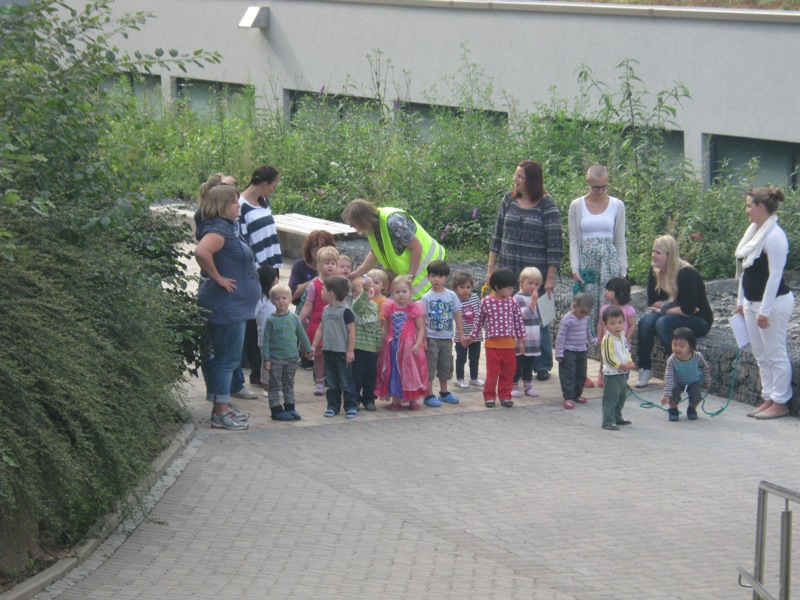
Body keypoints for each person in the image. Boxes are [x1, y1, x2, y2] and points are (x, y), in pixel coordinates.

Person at [487, 160, 561, 382]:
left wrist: (550, 276)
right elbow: (497, 235)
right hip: (509, 269)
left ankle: (542, 364)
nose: (515, 179)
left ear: (532, 180)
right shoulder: (509, 200)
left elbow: (555, 244)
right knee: (510, 314)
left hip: (535, 275)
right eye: (515, 175)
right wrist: (491, 267)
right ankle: (514, 362)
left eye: (520, 176)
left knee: (538, 317)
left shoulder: (547, 206)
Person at [195, 185, 261, 430]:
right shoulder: (218, 230)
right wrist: (218, 278)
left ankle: (221, 405)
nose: (238, 206)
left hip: (234, 307)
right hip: (226, 307)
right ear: (222, 205)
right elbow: (201, 252)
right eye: (234, 202)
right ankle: (220, 412)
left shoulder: (226, 228)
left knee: (225, 359)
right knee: (226, 360)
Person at [735, 187, 794, 420]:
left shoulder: (775, 236)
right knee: (760, 353)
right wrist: (741, 301)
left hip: (774, 303)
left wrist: (765, 310)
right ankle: (768, 396)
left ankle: (780, 401)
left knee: (775, 353)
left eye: (749, 205)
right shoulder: (753, 233)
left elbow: (775, 276)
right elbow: (746, 269)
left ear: (761, 207)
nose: (746, 210)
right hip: (751, 302)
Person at [568, 164, 627, 389]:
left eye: (603, 187)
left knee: (608, 316)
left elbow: (619, 239)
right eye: (595, 187)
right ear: (588, 183)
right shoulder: (577, 205)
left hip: (609, 265)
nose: (600, 191)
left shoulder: (617, 205)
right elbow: (574, 239)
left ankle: (605, 368)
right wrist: (575, 268)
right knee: (584, 314)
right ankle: (581, 371)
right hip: (587, 267)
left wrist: (623, 271)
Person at [635, 235, 713, 388]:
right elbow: (652, 302)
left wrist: (664, 309)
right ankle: (645, 368)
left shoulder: (686, 273)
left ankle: (680, 369)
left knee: (663, 323)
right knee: (645, 322)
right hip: (677, 314)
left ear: (669, 255)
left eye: (658, 253)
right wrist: (670, 307)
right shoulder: (654, 270)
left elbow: (688, 310)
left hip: (699, 320)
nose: (653, 255)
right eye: (653, 251)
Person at [342, 198, 445, 300]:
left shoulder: (393, 222)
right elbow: (375, 253)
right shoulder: (371, 227)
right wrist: (356, 274)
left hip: (430, 268)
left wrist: (410, 277)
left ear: (362, 220)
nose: (351, 226)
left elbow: (416, 247)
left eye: (353, 223)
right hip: (411, 277)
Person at [238, 164, 283, 386]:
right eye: (273, 186)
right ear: (264, 184)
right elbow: (243, 239)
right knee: (256, 318)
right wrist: (256, 268)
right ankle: (255, 369)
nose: (273, 190)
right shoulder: (241, 206)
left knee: (271, 313)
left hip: (272, 263)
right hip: (257, 269)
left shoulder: (264, 202)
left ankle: (268, 367)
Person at [471, 268, 526, 409]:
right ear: (497, 287)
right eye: (509, 288)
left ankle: (505, 396)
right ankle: (489, 396)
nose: (511, 291)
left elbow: (518, 322)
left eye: (512, 288)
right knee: (493, 373)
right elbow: (479, 321)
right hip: (492, 345)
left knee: (508, 372)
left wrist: (521, 341)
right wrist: (471, 337)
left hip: (509, 345)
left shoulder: (512, 302)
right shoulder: (485, 302)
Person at [375, 275, 428, 411]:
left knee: (409, 372)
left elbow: (421, 329)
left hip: (409, 347)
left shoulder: (414, 309)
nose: (400, 294)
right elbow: (386, 328)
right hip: (392, 345)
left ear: (410, 292)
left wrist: (417, 345)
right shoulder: (389, 308)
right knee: (394, 371)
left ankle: (412, 399)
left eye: (404, 291)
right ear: (392, 293)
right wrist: (380, 342)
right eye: (397, 292)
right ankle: (396, 399)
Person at [310, 276, 360, 418]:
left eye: (323, 289)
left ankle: (351, 405)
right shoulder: (326, 310)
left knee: (346, 381)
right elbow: (320, 329)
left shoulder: (346, 311)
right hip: (328, 351)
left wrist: (350, 350)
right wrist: (313, 346)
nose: (321, 292)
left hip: (342, 352)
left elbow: (351, 332)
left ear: (331, 293)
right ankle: (333, 406)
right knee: (332, 382)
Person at [262, 284, 313, 421]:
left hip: (292, 358)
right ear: (272, 301)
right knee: (274, 384)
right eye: (277, 298)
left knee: (289, 383)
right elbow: (266, 341)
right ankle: (275, 410)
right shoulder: (271, 320)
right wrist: (266, 359)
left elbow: (302, 334)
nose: (281, 301)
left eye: (284, 298)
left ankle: (290, 407)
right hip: (275, 359)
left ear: (290, 299)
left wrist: (309, 349)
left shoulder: (294, 318)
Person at [420, 260, 465, 407]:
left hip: (447, 338)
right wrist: (422, 339)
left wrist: (461, 334)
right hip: (431, 338)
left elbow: (457, 315)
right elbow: (422, 319)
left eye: (440, 276)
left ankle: (444, 393)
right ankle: (428, 394)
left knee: (446, 366)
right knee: (430, 367)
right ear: (428, 277)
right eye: (433, 276)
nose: (436, 279)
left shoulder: (451, 295)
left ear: (446, 277)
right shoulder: (426, 297)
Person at [298, 246, 340, 396]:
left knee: (334, 356)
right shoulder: (314, 285)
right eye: (326, 263)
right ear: (319, 265)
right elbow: (307, 306)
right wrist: (297, 321)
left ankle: (334, 380)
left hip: (336, 326)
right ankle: (320, 381)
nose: (330, 266)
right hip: (318, 325)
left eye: (333, 263)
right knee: (319, 356)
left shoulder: (340, 284)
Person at [660, 328, 711, 422]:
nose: (677, 348)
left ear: (691, 346)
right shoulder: (672, 360)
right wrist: (666, 394)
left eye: (682, 346)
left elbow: (705, 367)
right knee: (673, 391)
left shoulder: (697, 356)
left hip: (694, 381)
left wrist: (707, 380)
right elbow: (668, 376)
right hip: (677, 381)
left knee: (696, 395)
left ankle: (692, 409)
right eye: (674, 345)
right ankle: (673, 410)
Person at [555, 293, 596, 410]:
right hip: (569, 351)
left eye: (587, 313)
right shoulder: (567, 320)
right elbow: (560, 337)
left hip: (582, 350)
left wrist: (593, 341)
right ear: (574, 306)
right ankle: (568, 397)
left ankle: (577, 394)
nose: (584, 315)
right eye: (582, 312)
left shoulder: (585, 318)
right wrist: (559, 353)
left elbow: (587, 332)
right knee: (568, 374)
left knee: (581, 374)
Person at [595, 277, 636, 387]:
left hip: (622, 342)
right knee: (605, 358)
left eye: (610, 290)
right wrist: (599, 337)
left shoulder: (628, 309)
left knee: (623, 358)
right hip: (608, 341)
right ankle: (602, 374)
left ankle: (623, 379)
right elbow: (600, 324)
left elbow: (632, 325)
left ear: (621, 292)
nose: (606, 292)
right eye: (606, 289)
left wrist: (626, 338)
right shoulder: (604, 309)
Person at [600, 307, 635, 431]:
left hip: (622, 373)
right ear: (605, 324)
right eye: (612, 323)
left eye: (620, 322)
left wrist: (629, 361)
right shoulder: (607, 339)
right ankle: (608, 421)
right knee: (611, 397)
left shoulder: (622, 336)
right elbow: (608, 358)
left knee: (621, 397)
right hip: (612, 374)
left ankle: (617, 417)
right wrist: (620, 365)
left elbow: (626, 351)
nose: (617, 326)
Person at [349, 274, 381, 411]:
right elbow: (356, 307)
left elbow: (377, 326)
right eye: (365, 288)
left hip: (371, 349)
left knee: (370, 376)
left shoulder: (374, 306)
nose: (370, 289)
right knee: (357, 376)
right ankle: (355, 399)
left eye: (371, 286)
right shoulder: (355, 305)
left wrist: (379, 343)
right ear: (356, 294)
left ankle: (369, 399)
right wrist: (364, 292)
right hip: (358, 347)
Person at [512, 267, 542, 399]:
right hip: (521, 338)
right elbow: (525, 315)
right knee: (517, 362)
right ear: (522, 282)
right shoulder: (518, 298)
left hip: (533, 337)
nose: (533, 287)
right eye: (530, 283)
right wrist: (533, 302)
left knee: (529, 362)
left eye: (536, 284)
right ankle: (513, 386)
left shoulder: (533, 298)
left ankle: (528, 386)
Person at [452, 271, 483, 389]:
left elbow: (480, 314)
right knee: (461, 358)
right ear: (456, 288)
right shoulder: (455, 300)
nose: (465, 290)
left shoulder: (475, 297)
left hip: (476, 336)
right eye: (462, 287)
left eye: (468, 287)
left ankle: (474, 378)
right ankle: (459, 379)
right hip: (461, 337)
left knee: (474, 358)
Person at [288, 229, 336, 305]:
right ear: (309, 247)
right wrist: (317, 280)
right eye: (315, 245)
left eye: (322, 246)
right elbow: (291, 295)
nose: (318, 249)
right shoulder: (299, 265)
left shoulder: (335, 266)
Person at [255, 264, 280, 396]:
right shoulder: (262, 302)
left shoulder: (272, 299)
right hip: (266, 338)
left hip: (275, 338)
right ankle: (266, 387)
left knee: (276, 363)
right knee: (267, 363)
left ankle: (275, 386)